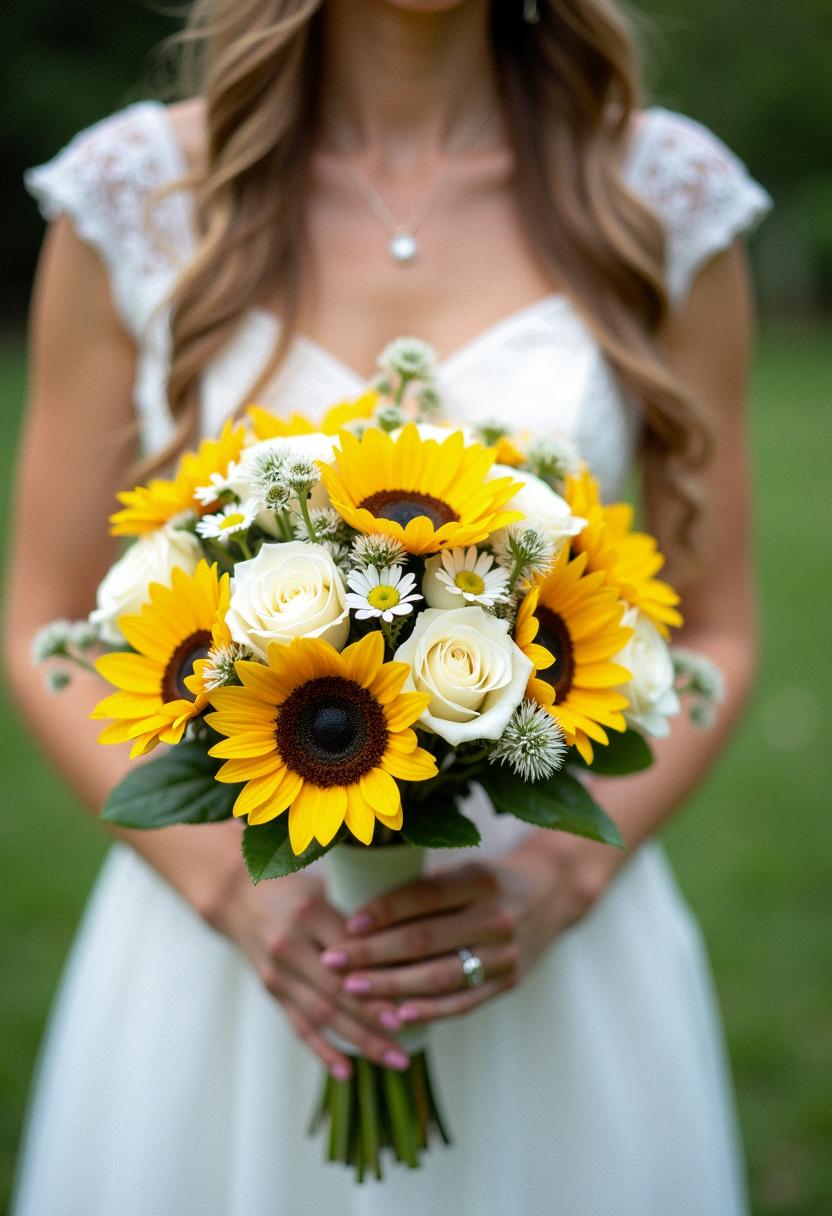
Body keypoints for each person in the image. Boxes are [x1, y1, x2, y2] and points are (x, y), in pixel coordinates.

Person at [6, 0, 772, 1212]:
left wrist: (556, 888)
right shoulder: (138, 194)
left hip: (549, 943)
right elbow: (41, 621)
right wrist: (225, 887)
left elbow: (715, 626)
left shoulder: (656, 195)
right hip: (235, 936)